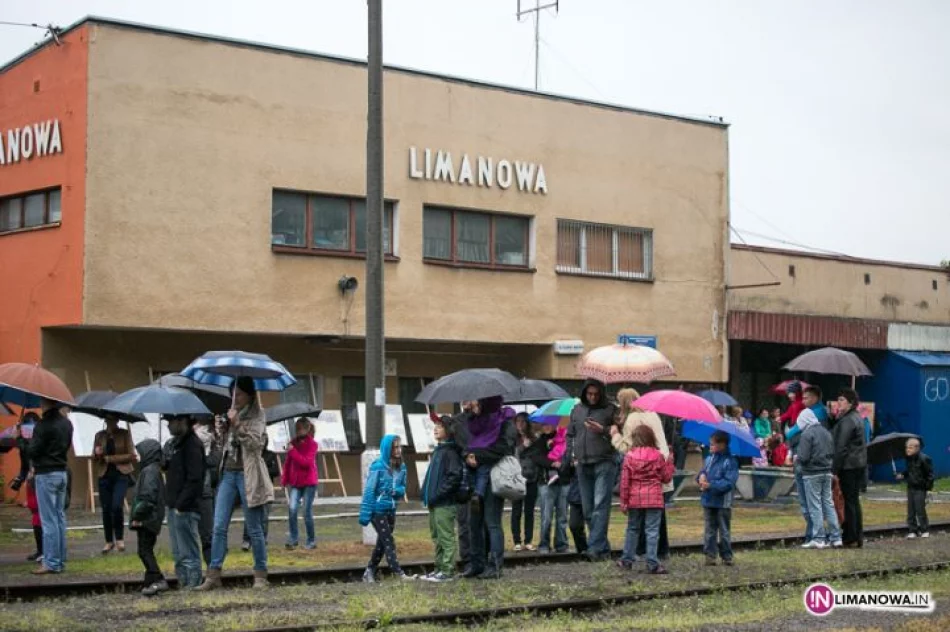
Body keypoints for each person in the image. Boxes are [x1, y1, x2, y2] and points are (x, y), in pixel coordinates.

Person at [198, 377, 274, 591]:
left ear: (250, 395)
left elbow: (256, 445)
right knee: (219, 525)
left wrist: (238, 425)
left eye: (239, 394)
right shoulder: (230, 413)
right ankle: (213, 575)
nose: (235, 398)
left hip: (248, 476)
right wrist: (221, 431)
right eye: (232, 393)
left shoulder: (258, 416)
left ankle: (260, 575)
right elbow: (224, 448)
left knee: (254, 528)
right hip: (229, 474)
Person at [611, 388, 673, 559]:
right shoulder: (653, 414)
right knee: (657, 514)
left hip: (641, 471)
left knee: (637, 520)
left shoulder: (632, 419)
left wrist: (615, 435)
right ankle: (660, 551)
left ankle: (637, 551)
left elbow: (627, 448)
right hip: (661, 464)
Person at [17, 398, 73, 575]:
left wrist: (22, 440)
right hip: (62, 472)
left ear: (47, 403)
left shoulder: (43, 425)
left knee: (48, 520)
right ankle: (60, 559)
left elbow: (33, 451)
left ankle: (51, 562)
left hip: (46, 474)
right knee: (59, 518)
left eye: (42, 400)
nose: (40, 403)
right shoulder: (67, 423)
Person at [463, 397, 516, 579]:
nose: (474, 405)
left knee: (492, 522)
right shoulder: (476, 422)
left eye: (477, 402)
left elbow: (503, 448)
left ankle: (495, 564)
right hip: (475, 479)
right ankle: (477, 563)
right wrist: (468, 456)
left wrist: (477, 456)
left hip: (494, 479)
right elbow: (466, 444)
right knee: (474, 523)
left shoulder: (505, 423)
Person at [567, 379, 619, 562]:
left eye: (596, 394)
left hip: (605, 461)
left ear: (601, 394)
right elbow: (570, 434)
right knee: (588, 509)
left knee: (599, 506)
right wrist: (570, 456)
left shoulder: (611, 409)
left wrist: (603, 430)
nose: (593, 397)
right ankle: (602, 549)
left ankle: (595, 548)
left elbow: (619, 434)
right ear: (584, 393)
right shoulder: (577, 410)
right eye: (589, 394)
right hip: (582, 463)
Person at [618, 425, 675, 574]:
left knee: (632, 529)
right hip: (654, 498)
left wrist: (623, 502)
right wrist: (669, 462)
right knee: (652, 531)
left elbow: (625, 482)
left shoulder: (629, 457)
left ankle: (626, 560)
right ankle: (652, 563)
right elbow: (666, 478)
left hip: (634, 499)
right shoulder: (658, 456)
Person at [359, 434, 411, 582]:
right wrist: (365, 513)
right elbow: (369, 490)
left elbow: (402, 487)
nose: (398, 450)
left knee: (382, 544)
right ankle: (399, 573)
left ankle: (369, 571)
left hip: (391, 509)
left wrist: (396, 491)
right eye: (394, 447)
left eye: (399, 446)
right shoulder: (377, 467)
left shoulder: (402, 467)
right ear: (387, 448)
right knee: (389, 541)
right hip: (378, 510)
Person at [163, 414, 205, 589]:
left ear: (182, 421)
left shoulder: (192, 445)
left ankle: (193, 582)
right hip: (174, 502)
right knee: (178, 550)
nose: (168, 426)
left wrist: (181, 504)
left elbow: (195, 478)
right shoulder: (176, 444)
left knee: (188, 548)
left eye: (170, 421)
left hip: (185, 505)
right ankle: (183, 581)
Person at [421, 416, 463, 582]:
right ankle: (439, 567)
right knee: (437, 536)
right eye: (435, 426)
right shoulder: (439, 450)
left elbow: (454, 477)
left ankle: (448, 570)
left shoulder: (450, 452)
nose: (435, 428)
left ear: (449, 431)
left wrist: (437, 494)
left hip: (444, 503)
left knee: (446, 537)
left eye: (440, 426)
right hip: (435, 502)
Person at [795, 409, 842, 549]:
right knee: (828, 504)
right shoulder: (826, 432)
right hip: (827, 472)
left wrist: (797, 458)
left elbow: (803, 457)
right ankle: (835, 537)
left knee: (815, 505)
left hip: (811, 473)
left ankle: (819, 538)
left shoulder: (807, 434)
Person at [92, 414, 136, 554]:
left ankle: (120, 538)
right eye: (107, 420)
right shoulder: (100, 435)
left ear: (117, 421)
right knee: (106, 508)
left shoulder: (124, 434)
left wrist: (110, 458)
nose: (110, 423)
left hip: (121, 474)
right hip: (104, 475)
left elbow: (131, 455)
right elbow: (94, 457)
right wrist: (97, 454)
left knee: (116, 505)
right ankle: (108, 541)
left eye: (112, 420)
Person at [129, 439, 168, 596]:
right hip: (151, 517)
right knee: (146, 549)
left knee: (144, 550)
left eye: (141, 453)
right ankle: (150, 581)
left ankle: (157, 578)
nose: (139, 457)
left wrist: (138, 516)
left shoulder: (149, 471)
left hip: (146, 518)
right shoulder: (153, 470)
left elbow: (147, 496)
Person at [832, 388, 867, 548]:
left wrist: (834, 469)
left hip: (848, 465)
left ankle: (850, 535)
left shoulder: (847, 420)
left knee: (849, 501)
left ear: (850, 402)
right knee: (853, 500)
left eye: (841, 399)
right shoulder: (856, 417)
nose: (838, 403)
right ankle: (857, 535)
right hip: (858, 464)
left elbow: (841, 447)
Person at [697, 430, 738, 567]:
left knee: (724, 530)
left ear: (722, 445)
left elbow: (729, 483)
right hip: (708, 500)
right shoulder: (709, 459)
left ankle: (726, 555)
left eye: (713, 444)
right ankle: (710, 555)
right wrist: (701, 477)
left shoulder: (730, 461)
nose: (710, 447)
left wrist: (711, 485)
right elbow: (703, 472)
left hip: (723, 502)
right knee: (709, 529)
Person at [283, 417, 319, 550]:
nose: (298, 431)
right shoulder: (293, 443)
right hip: (296, 483)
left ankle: (311, 540)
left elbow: (306, 463)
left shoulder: (313, 445)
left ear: (307, 429)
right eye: (297, 429)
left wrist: (293, 451)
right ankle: (293, 538)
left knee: (306, 511)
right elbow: (288, 463)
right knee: (292, 508)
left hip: (309, 482)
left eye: (301, 428)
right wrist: (285, 479)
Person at [533, 423, 569, 554]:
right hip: (546, 483)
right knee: (546, 516)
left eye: (549, 424)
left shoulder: (565, 439)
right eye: (544, 424)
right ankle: (544, 544)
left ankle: (562, 544)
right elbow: (537, 458)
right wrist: (552, 463)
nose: (547, 426)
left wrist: (563, 464)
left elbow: (568, 457)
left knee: (562, 516)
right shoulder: (539, 441)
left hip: (564, 481)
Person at [452, 401, 476, 573]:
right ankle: (467, 558)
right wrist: (465, 454)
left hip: (478, 474)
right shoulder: (456, 421)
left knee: (478, 521)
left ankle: (479, 556)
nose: (467, 402)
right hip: (462, 479)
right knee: (463, 522)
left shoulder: (481, 420)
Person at [511, 413, 540, 552]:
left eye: (523, 421)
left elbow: (538, 457)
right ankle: (517, 540)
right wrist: (523, 446)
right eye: (518, 421)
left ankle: (528, 540)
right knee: (516, 511)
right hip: (517, 478)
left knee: (529, 511)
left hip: (531, 478)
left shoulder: (534, 438)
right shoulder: (512, 439)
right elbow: (512, 457)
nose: (520, 424)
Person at [244, 433, 278, 550]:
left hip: (266, 488)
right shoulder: (250, 455)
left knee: (264, 516)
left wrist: (262, 469)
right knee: (250, 514)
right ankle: (247, 540)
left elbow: (276, 471)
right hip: (252, 487)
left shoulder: (270, 455)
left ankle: (262, 539)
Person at [193, 417, 219, 565]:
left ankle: (211, 565)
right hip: (204, 488)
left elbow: (212, 461)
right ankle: (211, 564)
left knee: (207, 531)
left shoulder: (207, 436)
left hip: (205, 487)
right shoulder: (206, 436)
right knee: (207, 531)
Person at [898, 437, 933, 539]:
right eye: (906, 447)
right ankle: (912, 530)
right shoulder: (908, 459)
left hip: (920, 488)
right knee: (911, 510)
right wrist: (902, 475)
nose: (907, 449)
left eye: (910, 447)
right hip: (911, 487)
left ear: (917, 448)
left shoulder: (924, 459)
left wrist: (929, 489)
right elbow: (909, 471)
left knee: (920, 509)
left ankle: (924, 529)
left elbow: (930, 475)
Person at [567, 475, 587, 554]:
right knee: (574, 525)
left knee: (595, 525)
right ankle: (583, 549)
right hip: (576, 496)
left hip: (592, 494)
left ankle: (596, 549)